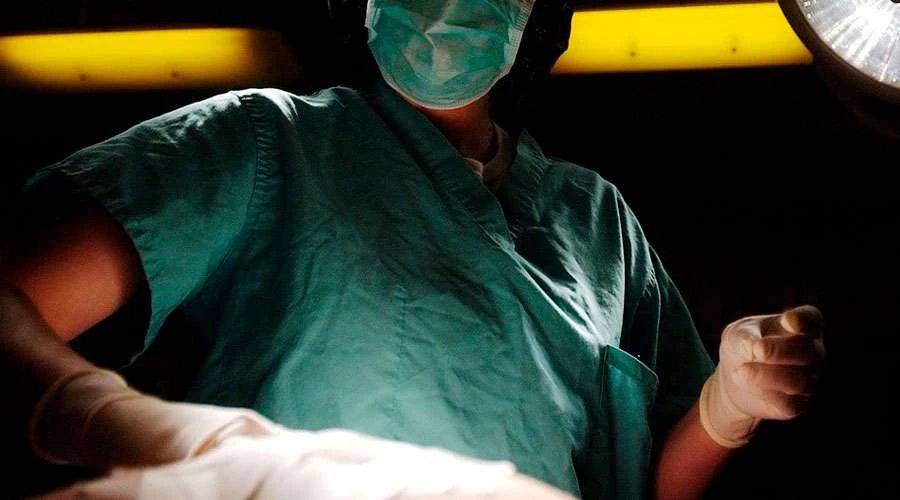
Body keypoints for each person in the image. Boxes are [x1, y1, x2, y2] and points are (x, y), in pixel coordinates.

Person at [0, 0, 826, 498]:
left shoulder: (596, 217)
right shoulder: (268, 147)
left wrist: (726, 406)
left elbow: (646, 485)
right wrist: (105, 419)